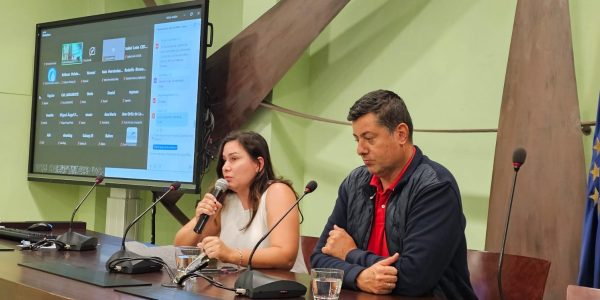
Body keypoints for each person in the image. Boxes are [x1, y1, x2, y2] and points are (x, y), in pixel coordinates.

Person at [310, 90, 476, 299]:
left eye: (369, 138)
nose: (360, 150)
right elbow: (318, 260)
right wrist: (360, 276)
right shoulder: (354, 183)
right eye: (357, 139)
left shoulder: (435, 188)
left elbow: (414, 279)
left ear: (401, 134)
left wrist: (349, 254)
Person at [174, 131, 307, 273]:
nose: (225, 167)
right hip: (235, 288)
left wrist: (230, 255)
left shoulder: (278, 192)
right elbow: (181, 248)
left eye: (234, 159)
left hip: (280, 288)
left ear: (258, 164)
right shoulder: (225, 199)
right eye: (224, 160)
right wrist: (200, 219)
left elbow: (285, 257)